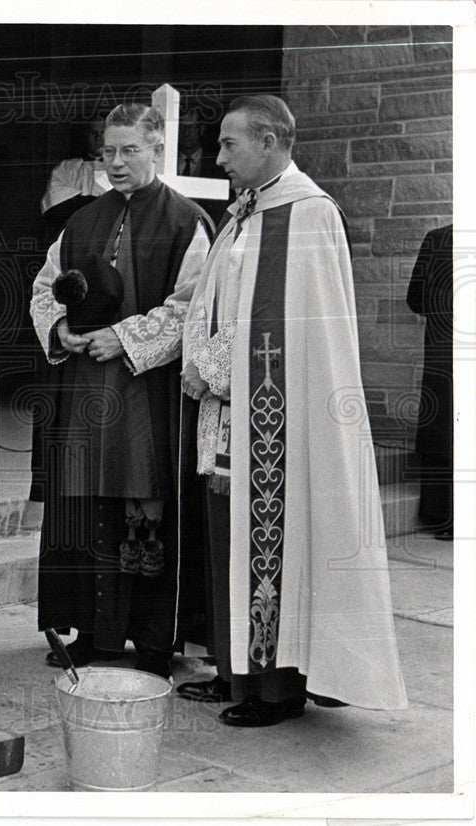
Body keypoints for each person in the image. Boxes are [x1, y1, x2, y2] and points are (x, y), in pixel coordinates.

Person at [178, 95, 408, 726]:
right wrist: (200, 358)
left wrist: (218, 367)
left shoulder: (307, 215)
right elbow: (212, 304)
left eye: (230, 144)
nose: (217, 157)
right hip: (227, 418)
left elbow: (294, 334)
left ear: (273, 141)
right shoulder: (244, 214)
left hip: (278, 421)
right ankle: (234, 673)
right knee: (228, 538)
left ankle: (274, 689)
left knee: (272, 542)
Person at [30, 102, 213, 679]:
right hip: (86, 389)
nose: (115, 162)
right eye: (108, 151)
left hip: (148, 394)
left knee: (146, 505)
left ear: (157, 150)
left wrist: (123, 338)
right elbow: (45, 287)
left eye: (129, 150)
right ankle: (93, 633)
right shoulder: (80, 221)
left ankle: (156, 640)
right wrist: (59, 328)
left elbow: (193, 306)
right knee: (85, 505)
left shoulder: (186, 222)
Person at [406, 225, 453, 539]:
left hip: (443, 350)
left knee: (443, 427)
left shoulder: (438, 239)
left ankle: (442, 516)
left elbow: (415, 299)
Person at [40, 117, 112, 236]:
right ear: (86, 134)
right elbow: (53, 205)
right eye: (93, 133)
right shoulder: (66, 168)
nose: (98, 138)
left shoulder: (118, 168)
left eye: (102, 133)